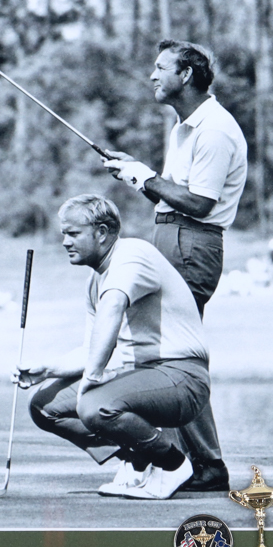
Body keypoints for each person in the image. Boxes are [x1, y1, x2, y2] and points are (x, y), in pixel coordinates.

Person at [103, 40, 248, 492]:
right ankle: (179, 461)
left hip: (193, 242)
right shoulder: (183, 127)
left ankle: (198, 465)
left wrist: (147, 177)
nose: (152, 75)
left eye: (161, 67)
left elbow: (201, 204)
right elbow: (171, 195)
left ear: (186, 75)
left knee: (174, 356)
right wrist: (137, 175)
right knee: (162, 352)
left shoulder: (215, 129)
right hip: (170, 235)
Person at [17, 194, 211, 500]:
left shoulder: (132, 254)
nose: (65, 242)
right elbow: (92, 348)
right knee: (44, 406)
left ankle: (172, 464)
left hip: (182, 378)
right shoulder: (96, 280)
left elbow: (113, 309)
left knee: (93, 405)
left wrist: (92, 379)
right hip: (141, 377)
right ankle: (138, 461)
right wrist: (48, 370)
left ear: (103, 232)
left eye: (73, 233)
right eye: (63, 234)